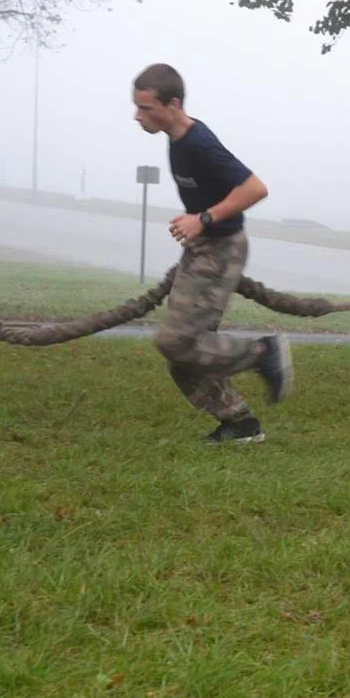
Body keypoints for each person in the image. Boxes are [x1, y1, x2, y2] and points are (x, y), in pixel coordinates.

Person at [131, 64, 292, 443]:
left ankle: (262, 352)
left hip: (221, 250)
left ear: (173, 104)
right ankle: (239, 424)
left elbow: (255, 188)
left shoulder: (199, 143)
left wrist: (202, 219)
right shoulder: (176, 139)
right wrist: (195, 225)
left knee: (174, 341)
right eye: (137, 107)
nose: (138, 117)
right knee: (183, 356)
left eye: (147, 108)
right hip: (205, 247)